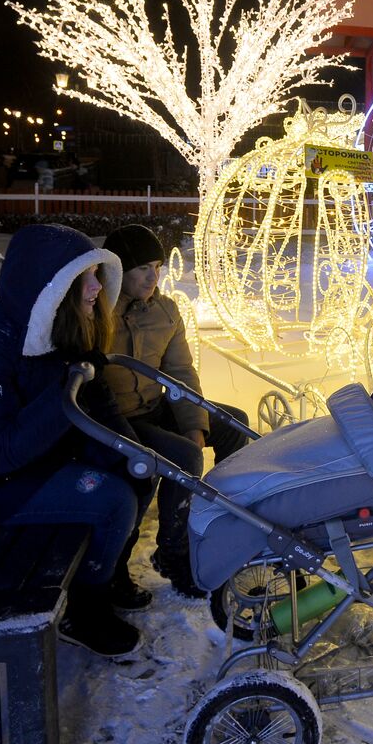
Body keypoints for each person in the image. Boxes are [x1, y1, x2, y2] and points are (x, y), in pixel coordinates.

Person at [0, 224, 157, 657]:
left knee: (138, 470)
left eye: (96, 275)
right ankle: (83, 608)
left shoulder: (54, 323)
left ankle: (108, 570)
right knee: (115, 501)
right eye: (83, 279)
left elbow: (94, 394)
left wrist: (129, 451)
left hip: (39, 456)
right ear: (50, 287)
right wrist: (67, 386)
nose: (96, 288)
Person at [101, 225, 249, 598]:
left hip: (155, 407)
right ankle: (173, 552)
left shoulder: (164, 311)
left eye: (158, 266)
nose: (154, 277)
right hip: (117, 419)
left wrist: (195, 424)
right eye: (142, 269)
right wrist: (187, 441)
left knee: (235, 425)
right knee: (182, 455)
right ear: (117, 271)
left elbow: (180, 372)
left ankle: (227, 521)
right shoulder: (96, 315)